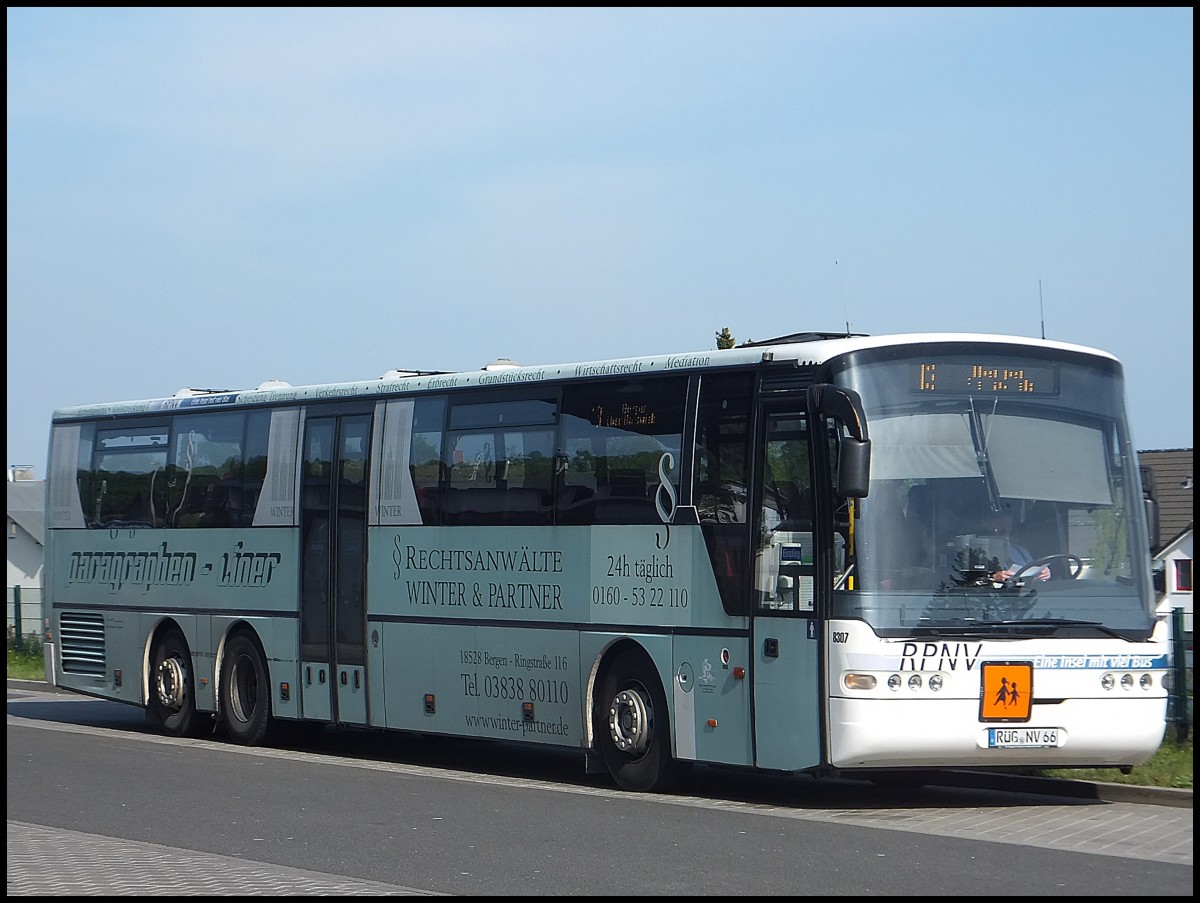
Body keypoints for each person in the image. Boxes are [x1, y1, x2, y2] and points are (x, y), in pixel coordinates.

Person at [986, 507, 1050, 582]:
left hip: (1023, 592)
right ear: (989, 525)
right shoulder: (979, 550)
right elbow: (973, 579)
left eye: (1008, 526)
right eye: (1000, 525)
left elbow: (1033, 571)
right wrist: (994, 577)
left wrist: (1043, 573)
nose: (1004, 529)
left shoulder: (1021, 551)